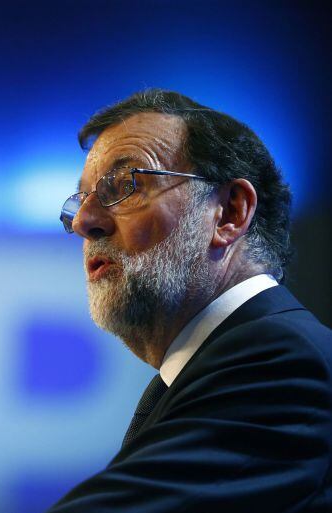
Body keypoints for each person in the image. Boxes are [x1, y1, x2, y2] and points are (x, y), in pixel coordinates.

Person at [51, 89, 332, 512]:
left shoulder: (281, 362)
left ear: (230, 213)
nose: (85, 222)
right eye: (82, 200)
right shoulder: (203, 371)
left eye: (125, 185)